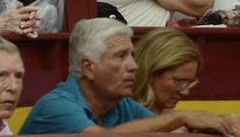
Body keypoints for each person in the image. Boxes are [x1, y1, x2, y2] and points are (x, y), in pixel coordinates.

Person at [22, 17, 229, 134]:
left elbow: (171, 131)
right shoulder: (56, 105)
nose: (133, 66)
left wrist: (225, 124)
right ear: (88, 67)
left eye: (132, 55)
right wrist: (180, 117)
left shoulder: (121, 105)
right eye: (120, 56)